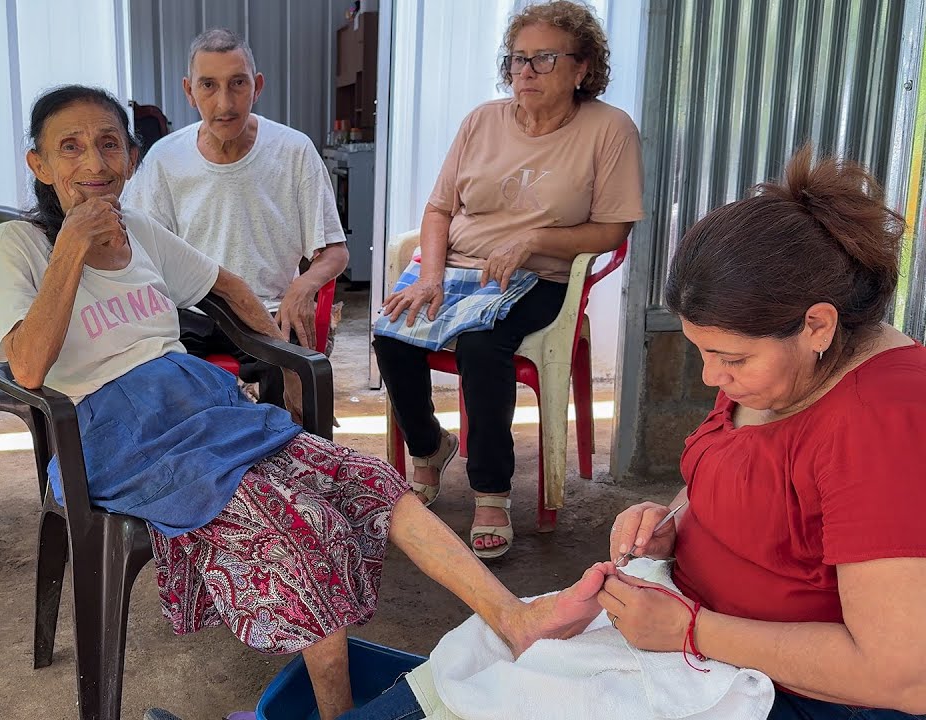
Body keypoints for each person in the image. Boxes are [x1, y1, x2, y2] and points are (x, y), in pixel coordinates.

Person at [0, 84, 611, 720]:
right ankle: (336, 713)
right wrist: (69, 249)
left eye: (108, 144)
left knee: (368, 479)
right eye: (70, 147)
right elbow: (28, 366)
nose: (93, 163)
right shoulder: (19, 244)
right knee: (294, 523)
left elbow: (223, 285)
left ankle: (515, 615)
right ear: (39, 164)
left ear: (131, 157)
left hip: (198, 408)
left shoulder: (139, 229)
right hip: (114, 436)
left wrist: (284, 369)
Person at [341, 146, 926, 719]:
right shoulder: (784, 366)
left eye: (731, 359)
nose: (711, 377)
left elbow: (902, 675)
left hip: (786, 689)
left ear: (817, 324)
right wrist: (671, 521)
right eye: (702, 352)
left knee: (509, 687)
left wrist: (691, 631)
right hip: (682, 627)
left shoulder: (884, 422)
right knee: (487, 655)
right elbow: (743, 476)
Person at [372, 0, 643, 559]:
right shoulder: (481, 120)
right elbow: (439, 209)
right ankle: (429, 449)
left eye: (544, 59)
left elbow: (613, 229)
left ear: (582, 68)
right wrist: (427, 275)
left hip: (538, 276)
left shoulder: (608, 130)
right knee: (391, 329)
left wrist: (536, 240)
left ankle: (491, 491)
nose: (525, 71)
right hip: (457, 267)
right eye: (518, 59)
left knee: (482, 344)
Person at [122, 27, 349, 405]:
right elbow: (141, 253)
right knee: (156, 389)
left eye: (237, 84)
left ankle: (290, 459)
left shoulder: (293, 151)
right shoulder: (165, 159)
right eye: (208, 85)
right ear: (189, 91)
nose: (224, 103)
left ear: (257, 86)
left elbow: (336, 251)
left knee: (291, 391)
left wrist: (303, 285)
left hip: (269, 312)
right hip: (189, 313)